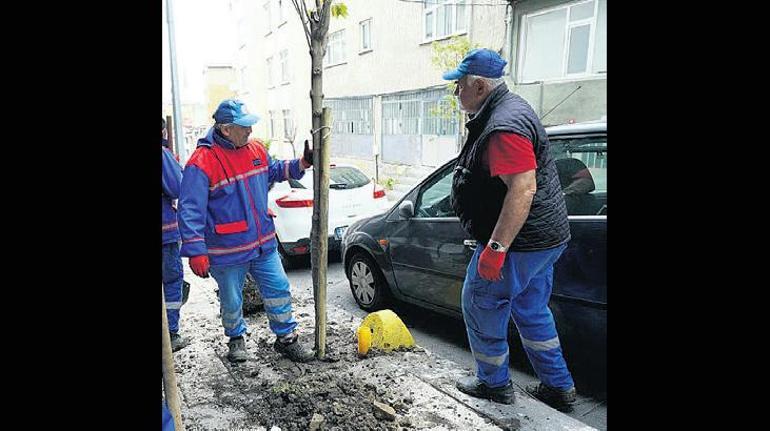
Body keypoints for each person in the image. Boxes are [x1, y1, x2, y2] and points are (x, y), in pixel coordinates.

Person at [444, 49, 577, 412]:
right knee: (531, 309)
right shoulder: (508, 109)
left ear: (481, 86)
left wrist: (496, 248)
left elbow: (523, 188)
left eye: (459, 85)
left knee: (480, 301)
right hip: (543, 239)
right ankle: (559, 386)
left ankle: (492, 383)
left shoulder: (503, 126)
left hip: (520, 243)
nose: (456, 92)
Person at [178, 99, 314, 363]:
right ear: (226, 130)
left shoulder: (255, 149)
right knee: (231, 300)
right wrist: (196, 251)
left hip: (263, 244)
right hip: (227, 251)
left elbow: (272, 171)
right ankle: (236, 339)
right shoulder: (202, 162)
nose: (250, 131)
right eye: (244, 127)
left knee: (279, 288)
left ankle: (286, 339)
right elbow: (190, 210)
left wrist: (301, 163)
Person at [162, 117, 188, 352]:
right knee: (171, 281)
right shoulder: (162, 154)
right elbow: (177, 187)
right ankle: (170, 334)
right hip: (164, 235)